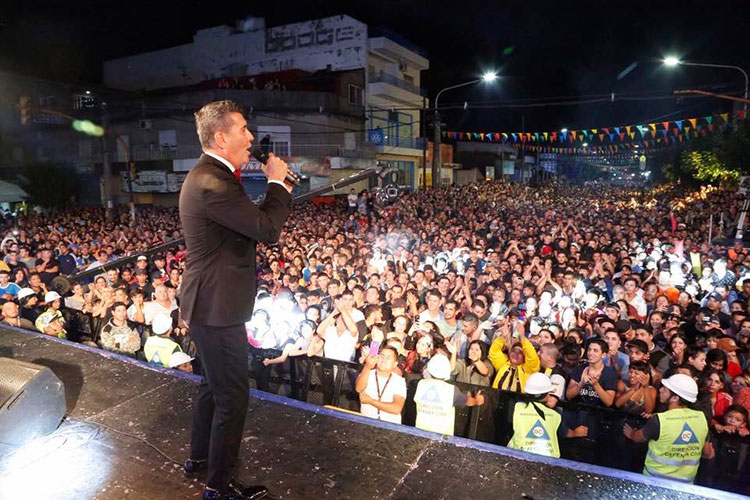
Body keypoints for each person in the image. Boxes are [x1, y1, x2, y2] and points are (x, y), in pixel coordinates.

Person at [179, 100, 292, 500]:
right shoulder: (213, 181)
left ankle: (199, 459)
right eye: (243, 129)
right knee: (232, 397)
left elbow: (245, 222)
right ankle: (218, 486)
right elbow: (266, 228)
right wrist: (278, 183)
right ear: (221, 137)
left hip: (210, 302)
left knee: (212, 386)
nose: (250, 136)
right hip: (218, 307)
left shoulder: (212, 176)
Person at [623, 374, 713, 484]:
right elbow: (707, 453)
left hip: (654, 483)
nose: (660, 390)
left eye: (665, 389)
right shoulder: (701, 418)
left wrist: (631, 433)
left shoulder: (660, 420)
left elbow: (639, 437)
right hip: (685, 486)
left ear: (675, 398)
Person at [414, 354, 484, 435]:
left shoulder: (421, 384)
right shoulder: (451, 390)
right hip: (442, 436)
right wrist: (476, 401)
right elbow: (467, 401)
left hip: (420, 433)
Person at [508, 373, 563, 457]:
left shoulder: (516, 408)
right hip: (549, 462)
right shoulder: (556, 415)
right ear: (545, 394)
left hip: (518, 457)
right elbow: (563, 433)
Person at [355, 347, 407, 424]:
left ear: (395, 364)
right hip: (367, 422)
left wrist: (371, 401)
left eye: (388, 358)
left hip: (390, 425)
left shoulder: (399, 381)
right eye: (382, 356)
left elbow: (396, 408)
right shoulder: (368, 373)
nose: (384, 359)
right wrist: (367, 366)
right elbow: (358, 389)